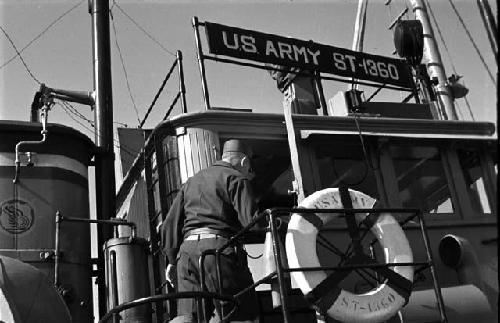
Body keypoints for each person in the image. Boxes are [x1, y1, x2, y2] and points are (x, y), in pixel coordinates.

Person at [161, 139, 261, 323]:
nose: (249, 174)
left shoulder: (191, 181)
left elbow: (169, 224)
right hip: (219, 252)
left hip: (186, 256)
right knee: (240, 313)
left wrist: (171, 260)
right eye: (249, 170)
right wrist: (280, 222)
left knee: (188, 317)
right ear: (244, 162)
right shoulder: (236, 178)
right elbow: (252, 224)